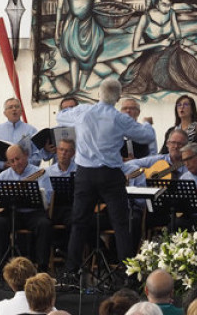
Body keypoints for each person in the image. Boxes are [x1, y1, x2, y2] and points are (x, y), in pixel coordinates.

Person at [55, 78, 154, 286]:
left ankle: (71, 272)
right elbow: (145, 137)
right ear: (118, 97)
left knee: (79, 222)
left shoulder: (82, 112)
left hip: (85, 174)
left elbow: (60, 117)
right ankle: (128, 273)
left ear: (98, 94)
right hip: (110, 174)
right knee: (120, 223)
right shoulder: (120, 118)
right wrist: (147, 123)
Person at [119, 0, 197, 95]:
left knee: (190, 64)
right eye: (164, 5)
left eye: (169, 5)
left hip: (170, 51)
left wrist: (176, 39)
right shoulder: (145, 18)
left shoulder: (171, 13)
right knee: (148, 78)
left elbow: (178, 34)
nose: (167, 8)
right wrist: (159, 43)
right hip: (151, 55)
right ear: (156, 3)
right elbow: (136, 47)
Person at [55, 0, 107, 93]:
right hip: (73, 23)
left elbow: (104, 0)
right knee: (73, 57)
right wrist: (57, 28)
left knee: (91, 57)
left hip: (91, 23)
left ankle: (82, 86)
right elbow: (59, 5)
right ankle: (74, 88)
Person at [0, 144, 53, 272]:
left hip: (34, 213)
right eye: (11, 161)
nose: (15, 163)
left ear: (26, 155)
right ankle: (0, 266)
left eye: (18, 159)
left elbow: (47, 199)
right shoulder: (2, 176)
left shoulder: (40, 173)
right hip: (12, 213)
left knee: (44, 224)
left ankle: (42, 267)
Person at [0, 98, 46, 178]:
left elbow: (38, 153)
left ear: (21, 111)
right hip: (3, 173)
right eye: (10, 107)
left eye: (17, 107)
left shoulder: (31, 130)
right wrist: (1, 165)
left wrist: (23, 163)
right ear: (5, 113)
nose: (14, 109)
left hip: (27, 174)